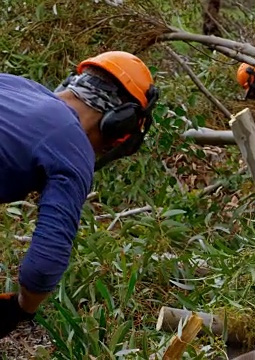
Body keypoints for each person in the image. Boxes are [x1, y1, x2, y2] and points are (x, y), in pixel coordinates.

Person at [0, 51, 159, 338]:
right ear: (118, 125)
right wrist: (21, 309)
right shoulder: (72, 146)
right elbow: (44, 265)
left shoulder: (17, 86)